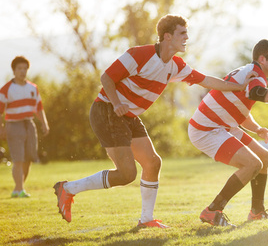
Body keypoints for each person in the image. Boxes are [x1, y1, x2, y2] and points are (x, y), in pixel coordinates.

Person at [53, 15, 252, 228]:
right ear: (167, 36)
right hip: (107, 110)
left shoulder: (176, 65)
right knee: (127, 174)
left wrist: (240, 88)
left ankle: (146, 220)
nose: (187, 37)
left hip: (127, 115)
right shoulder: (139, 54)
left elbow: (207, 81)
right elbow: (107, 78)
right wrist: (117, 102)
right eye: (182, 33)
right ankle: (68, 189)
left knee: (153, 163)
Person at [190, 39, 268, 227]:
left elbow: (238, 109)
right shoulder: (256, 75)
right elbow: (257, 93)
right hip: (206, 129)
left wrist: (256, 128)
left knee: (264, 155)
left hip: (222, 125)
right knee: (252, 164)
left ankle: (257, 212)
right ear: (262, 59)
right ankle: (212, 211)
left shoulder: (252, 72)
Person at [0, 56, 49, 198]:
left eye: (25, 69)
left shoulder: (32, 88)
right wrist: (1, 128)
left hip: (29, 124)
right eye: (19, 69)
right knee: (18, 159)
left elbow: (39, 108)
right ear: (14, 70)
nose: (22, 71)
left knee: (28, 158)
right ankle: (19, 189)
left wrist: (44, 123)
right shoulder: (6, 89)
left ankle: (18, 188)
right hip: (13, 125)